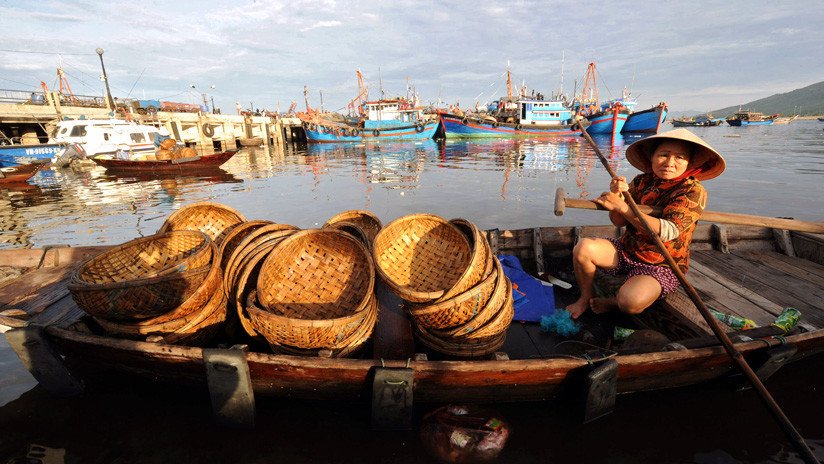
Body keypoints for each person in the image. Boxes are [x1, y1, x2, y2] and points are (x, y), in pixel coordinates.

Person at [566, 128, 726, 319]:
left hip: (662, 264)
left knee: (630, 302)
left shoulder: (692, 190)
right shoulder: (642, 181)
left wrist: (623, 207)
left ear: (689, 162)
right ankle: (585, 298)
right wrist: (617, 197)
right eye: (663, 155)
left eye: (679, 157)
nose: (670, 163)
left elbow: (667, 231)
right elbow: (618, 221)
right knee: (583, 248)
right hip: (627, 250)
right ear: (652, 157)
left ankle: (613, 302)